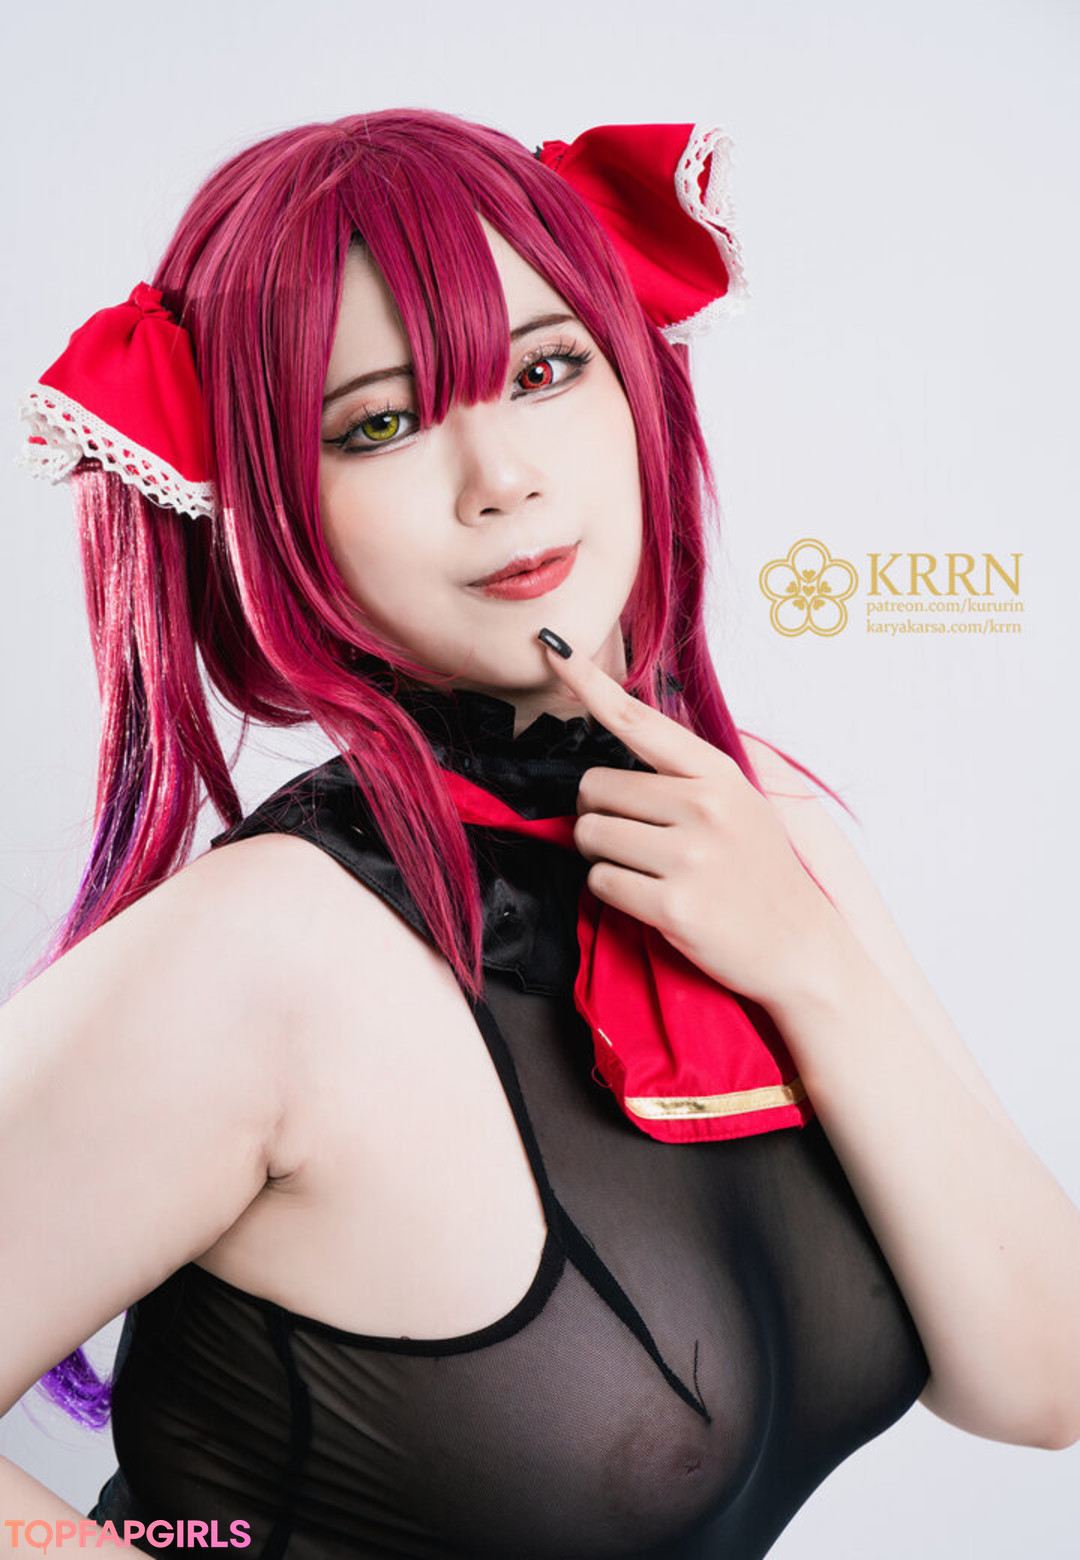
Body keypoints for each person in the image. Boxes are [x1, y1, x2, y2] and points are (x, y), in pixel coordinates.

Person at [2, 108, 1078, 1560]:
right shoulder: (264, 954)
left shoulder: (757, 820)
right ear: (275, 503)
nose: (500, 476)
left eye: (546, 368)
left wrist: (812, 966)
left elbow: (1039, 1382)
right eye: (380, 423)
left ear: (634, 379)